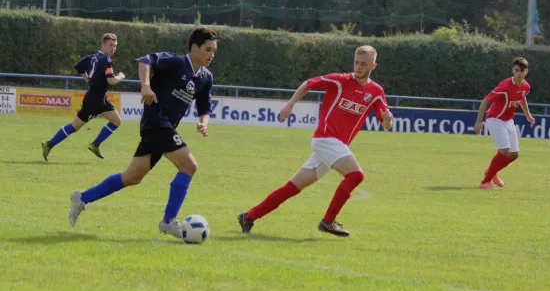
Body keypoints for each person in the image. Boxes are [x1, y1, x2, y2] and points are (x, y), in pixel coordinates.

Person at [68, 26, 218, 240]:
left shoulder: (205, 77)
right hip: (156, 122)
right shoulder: (175, 62)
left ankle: (82, 197)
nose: (211, 55)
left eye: (213, 51)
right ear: (194, 47)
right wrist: (146, 86)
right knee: (189, 165)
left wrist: (204, 122)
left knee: (132, 177)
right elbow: (145, 61)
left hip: (164, 128)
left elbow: (205, 107)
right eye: (207, 49)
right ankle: (168, 221)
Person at [238, 45, 394, 237]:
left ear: (373, 66)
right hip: (325, 139)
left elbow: (386, 124)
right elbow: (308, 83)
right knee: (356, 175)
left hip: (335, 147)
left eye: (364, 64)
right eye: (356, 62)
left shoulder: (376, 91)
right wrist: (290, 104)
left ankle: (248, 216)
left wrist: (387, 118)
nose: (359, 67)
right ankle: (328, 221)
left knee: (293, 187)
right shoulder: (340, 81)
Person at [41, 33, 125, 161]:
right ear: (103, 44)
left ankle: (95, 145)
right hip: (94, 100)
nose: (113, 48)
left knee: (116, 121)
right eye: (110, 45)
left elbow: (79, 67)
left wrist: (89, 80)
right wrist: (121, 76)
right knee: (75, 126)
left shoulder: (93, 57)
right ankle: (49, 144)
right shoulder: (106, 60)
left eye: (115, 46)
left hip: (100, 97)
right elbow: (112, 81)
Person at [474, 57, 535, 189]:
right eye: (516, 70)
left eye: (522, 70)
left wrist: (528, 116)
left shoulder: (526, 86)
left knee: (514, 154)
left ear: (526, 72)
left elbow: (522, 98)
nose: (519, 73)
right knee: (504, 150)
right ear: (513, 70)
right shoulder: (505, 86)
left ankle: (492, 171)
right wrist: (479, 121)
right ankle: (485, 182)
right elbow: (486, 100)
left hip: (508, 121)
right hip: (495, 119)